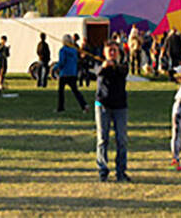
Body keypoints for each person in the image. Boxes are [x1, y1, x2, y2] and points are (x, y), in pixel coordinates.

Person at [94, 42, 130, 182]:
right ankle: (102, 170)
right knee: (102, 139)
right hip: (102, 104)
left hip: (120, 106)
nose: (112, 53)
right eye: (110, 51)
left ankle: (121, 171)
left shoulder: (123, 65)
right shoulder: (100, 65)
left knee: (121, 139)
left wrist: (113, 65)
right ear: (104, 52)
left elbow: (123, 71)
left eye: (114, 50)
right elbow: (98, 73)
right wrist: (104, 66)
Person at [56, 35, 88, 112]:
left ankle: (61, 108)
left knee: (61, 92)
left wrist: (55, 68)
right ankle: (84, 105)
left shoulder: (63, 50)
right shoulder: (74, 50)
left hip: (64, 74)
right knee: (76, 91)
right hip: (73, 73)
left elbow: (62, 62)